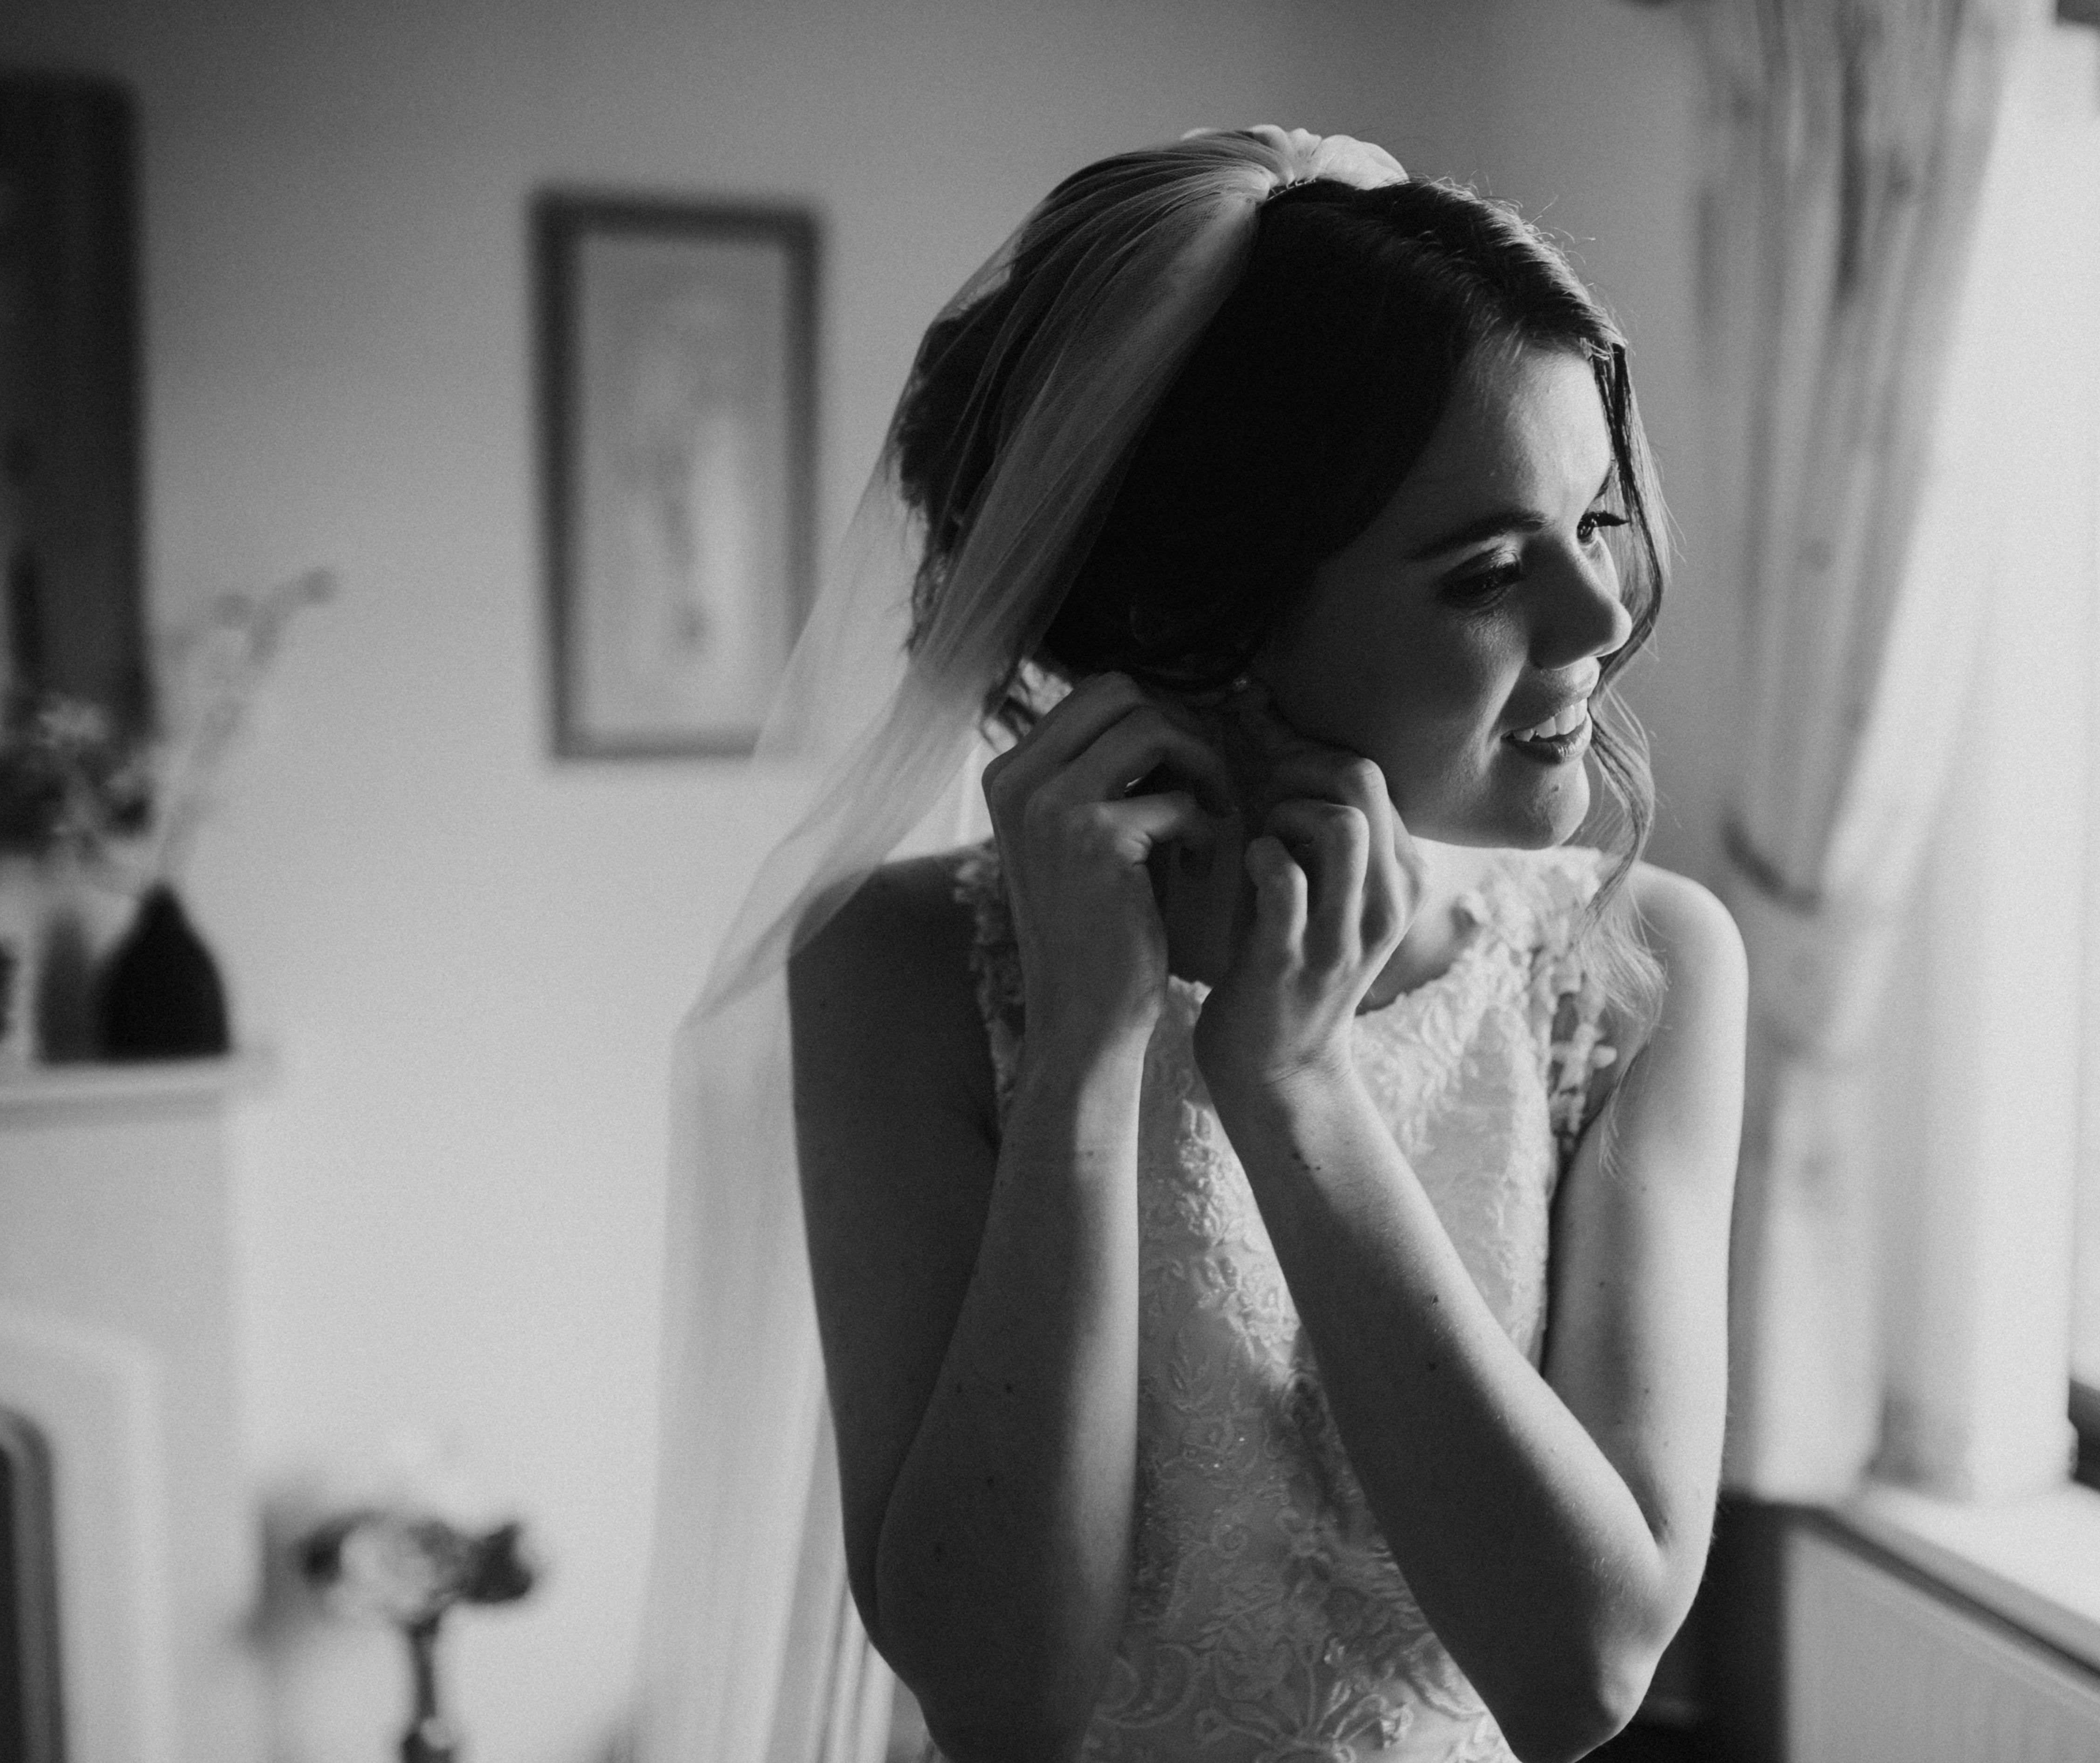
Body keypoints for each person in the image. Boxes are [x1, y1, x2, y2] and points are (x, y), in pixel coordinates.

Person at [643, 126, 1745, 1763]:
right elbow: (1003, 1701)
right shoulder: (898, 977)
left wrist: (1299, 1092)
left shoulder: (1638, 965)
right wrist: (1088, 1055)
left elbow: (1584, 1670)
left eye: (1595, 522)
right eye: (1489, 571)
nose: (1599, 620)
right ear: (1196, 617)